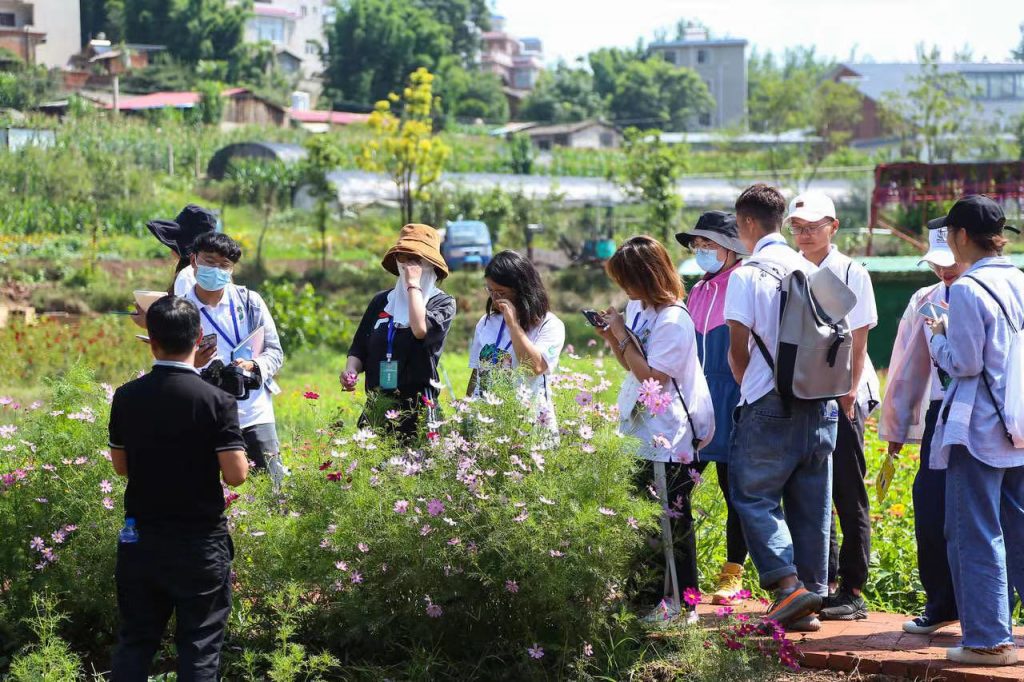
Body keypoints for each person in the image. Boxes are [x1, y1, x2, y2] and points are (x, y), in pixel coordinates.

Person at [107, 295, 248, 681]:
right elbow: (236, 475)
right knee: (199, 644)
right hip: (199, 543)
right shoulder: (216, 400)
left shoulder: (126, 396)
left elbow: (120, 467)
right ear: (199, 337)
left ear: (151, 341)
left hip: (142, 539)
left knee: (136, 642)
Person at [724, 184, 838, 631]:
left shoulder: (746, 275)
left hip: (768, 401)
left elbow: (737, 348)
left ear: (749, 223)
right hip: (819, 402)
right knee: (811, 503)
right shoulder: (810, 269)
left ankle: (788, 586)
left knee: (753, 495)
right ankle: (808, 599)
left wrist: (749, 386)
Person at [594, 235, 715, 624]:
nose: (624, 288)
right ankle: (648, 601)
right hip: (641, 431)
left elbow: (654, 378)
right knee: (645, 521)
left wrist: (622, 335)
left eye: (628, 280)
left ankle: (682, 606)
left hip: (668, 436)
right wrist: (613, 337)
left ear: (647, 276)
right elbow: (631, 367)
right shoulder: (639, 307)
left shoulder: (674, 319)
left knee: (671, 521)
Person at [926, 195, 1024, 666]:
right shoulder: (1019, 278)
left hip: (980, 427)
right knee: (1019, 529)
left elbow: (964, 363)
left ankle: (987, 640)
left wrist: (938, 338)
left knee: (974, 532)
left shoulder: (966, 288)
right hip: (1017, 421)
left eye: (949, 232)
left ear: (961, 235)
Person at [788, 191, 878, 621]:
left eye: (814, 226)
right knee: (809, 489)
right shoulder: (790, 268)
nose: (805, 234)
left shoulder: (850, 271)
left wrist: (849, 390)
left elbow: (859, 339)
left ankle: (853, 588)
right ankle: (820, 584)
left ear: (834, 227)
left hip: (842, 394)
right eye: (797, 227)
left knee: (847, 488)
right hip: (804, 392)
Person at [879, 220, 966, 635]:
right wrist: (896, 430)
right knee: (930, 507)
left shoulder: (993, 293)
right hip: (940, 414)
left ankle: (990, 613)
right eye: (936, 263)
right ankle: (942, 602)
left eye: (950, 262)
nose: (944, 270)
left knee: (990, 515)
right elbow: (907, 367)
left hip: (988, 413)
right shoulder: (926, 300)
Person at [675, 210, 751, 605]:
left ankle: (732, 574)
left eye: (709, 244)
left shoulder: (743, 282)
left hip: (733, 398)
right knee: (675, 487)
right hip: (696, 401)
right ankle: (675, 572)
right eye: (697, 245)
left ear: (732, 248)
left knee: (735, 490)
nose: (701, 250)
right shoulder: (698, 289)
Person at [183, 232, 286, 480]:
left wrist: (253, 365)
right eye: (209, 262)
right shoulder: (181, 309)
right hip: (203, 413)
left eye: (224, 265)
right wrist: (193, 363)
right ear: (194, 261)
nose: (216, 270)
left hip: (253, 411)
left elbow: (275, 352)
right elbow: (169, 363)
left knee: (271, 485)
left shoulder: (250, 302)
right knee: (203, 486)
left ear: (232, 269)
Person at [342, 224, 456, 439]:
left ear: (430, 264)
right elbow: (359, 348)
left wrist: (413, 285)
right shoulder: (381, 301)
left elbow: (419, 329)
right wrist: (351, 371)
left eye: (415, 260)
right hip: (378, 406)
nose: (408, 266)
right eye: (402, 257)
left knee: (418, 459)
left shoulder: (442, 303)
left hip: (418, 410)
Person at [466, 250, 565, 433]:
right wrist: (467, 415)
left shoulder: (550, 325)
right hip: (486, 425)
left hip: (528, 426)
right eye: (490, 290)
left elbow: (535, 367)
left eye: (501, 292)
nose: (495, 298)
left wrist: (513, 325)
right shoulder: (486, 322)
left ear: (523, 290)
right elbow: (476, 374)